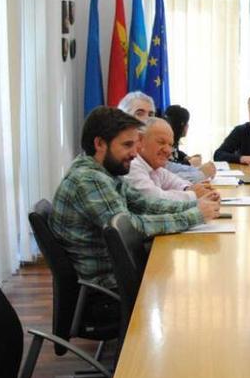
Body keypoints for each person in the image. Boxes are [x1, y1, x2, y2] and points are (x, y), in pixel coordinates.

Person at [50, 107, 220, 290]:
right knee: (195, 282)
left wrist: (197, 204)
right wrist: (194, 215)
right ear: (100, 144)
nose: (134, 153)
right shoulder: (89, 179)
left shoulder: (106, 171)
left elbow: (145, 204)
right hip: (107, 290)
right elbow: (130, 229)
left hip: (119, 274)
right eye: (127, 145)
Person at [117, 91, 215, 182]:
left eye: (151, 114)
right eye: (139, 113)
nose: (147, 119)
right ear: (124, 117)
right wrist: (201, 174)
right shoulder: (125, 153)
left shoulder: (148, 145)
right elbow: (156, 184)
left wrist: (197, 169)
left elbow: (167, 171)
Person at [123, 118, 219, 201]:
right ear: (140, 140)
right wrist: (193, 194)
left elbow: (176, 182)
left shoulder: (154, 167)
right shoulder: (132, 165)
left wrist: (191, 189)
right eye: (161, 142)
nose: (168, 150)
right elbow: (154, 200)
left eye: (170, 145)